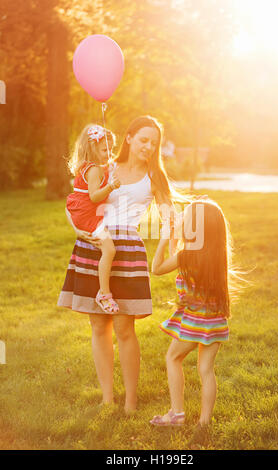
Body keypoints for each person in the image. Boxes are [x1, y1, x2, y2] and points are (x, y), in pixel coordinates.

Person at [58, 115, 178, 414]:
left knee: (125, 328)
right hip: (94, 244)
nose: (149, 147)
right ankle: (107, 398)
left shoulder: (155, 177)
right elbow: (75, 200)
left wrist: (167, 246)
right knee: (98, 324)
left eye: (154, 143)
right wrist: (77, 229)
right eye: (143, 140)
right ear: (129, 138)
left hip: (127, 250)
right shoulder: (106, 167)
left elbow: (169, 218)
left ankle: (130, 402)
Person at [150, 199, 236, 444]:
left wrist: (166, 237)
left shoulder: (187, 255)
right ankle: (204, 422)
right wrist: (177, 240)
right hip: (215, 320)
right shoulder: (216, 255)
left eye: (186, 218)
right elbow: (180, 263)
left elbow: (157, 268)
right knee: (206, 370)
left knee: (173, 357)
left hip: (194, 321)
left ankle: (176, 413)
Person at [65, 123, 121, 313]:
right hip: (87, 216)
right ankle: (104, 294)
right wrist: (111, 186)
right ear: (93, 148)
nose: (109, 153)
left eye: (111, 149)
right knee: (109, 249)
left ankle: (103, 291)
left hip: (80, 212)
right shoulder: (95, 170)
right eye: (105, 149)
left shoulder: (87, 167)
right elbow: (95, 196)